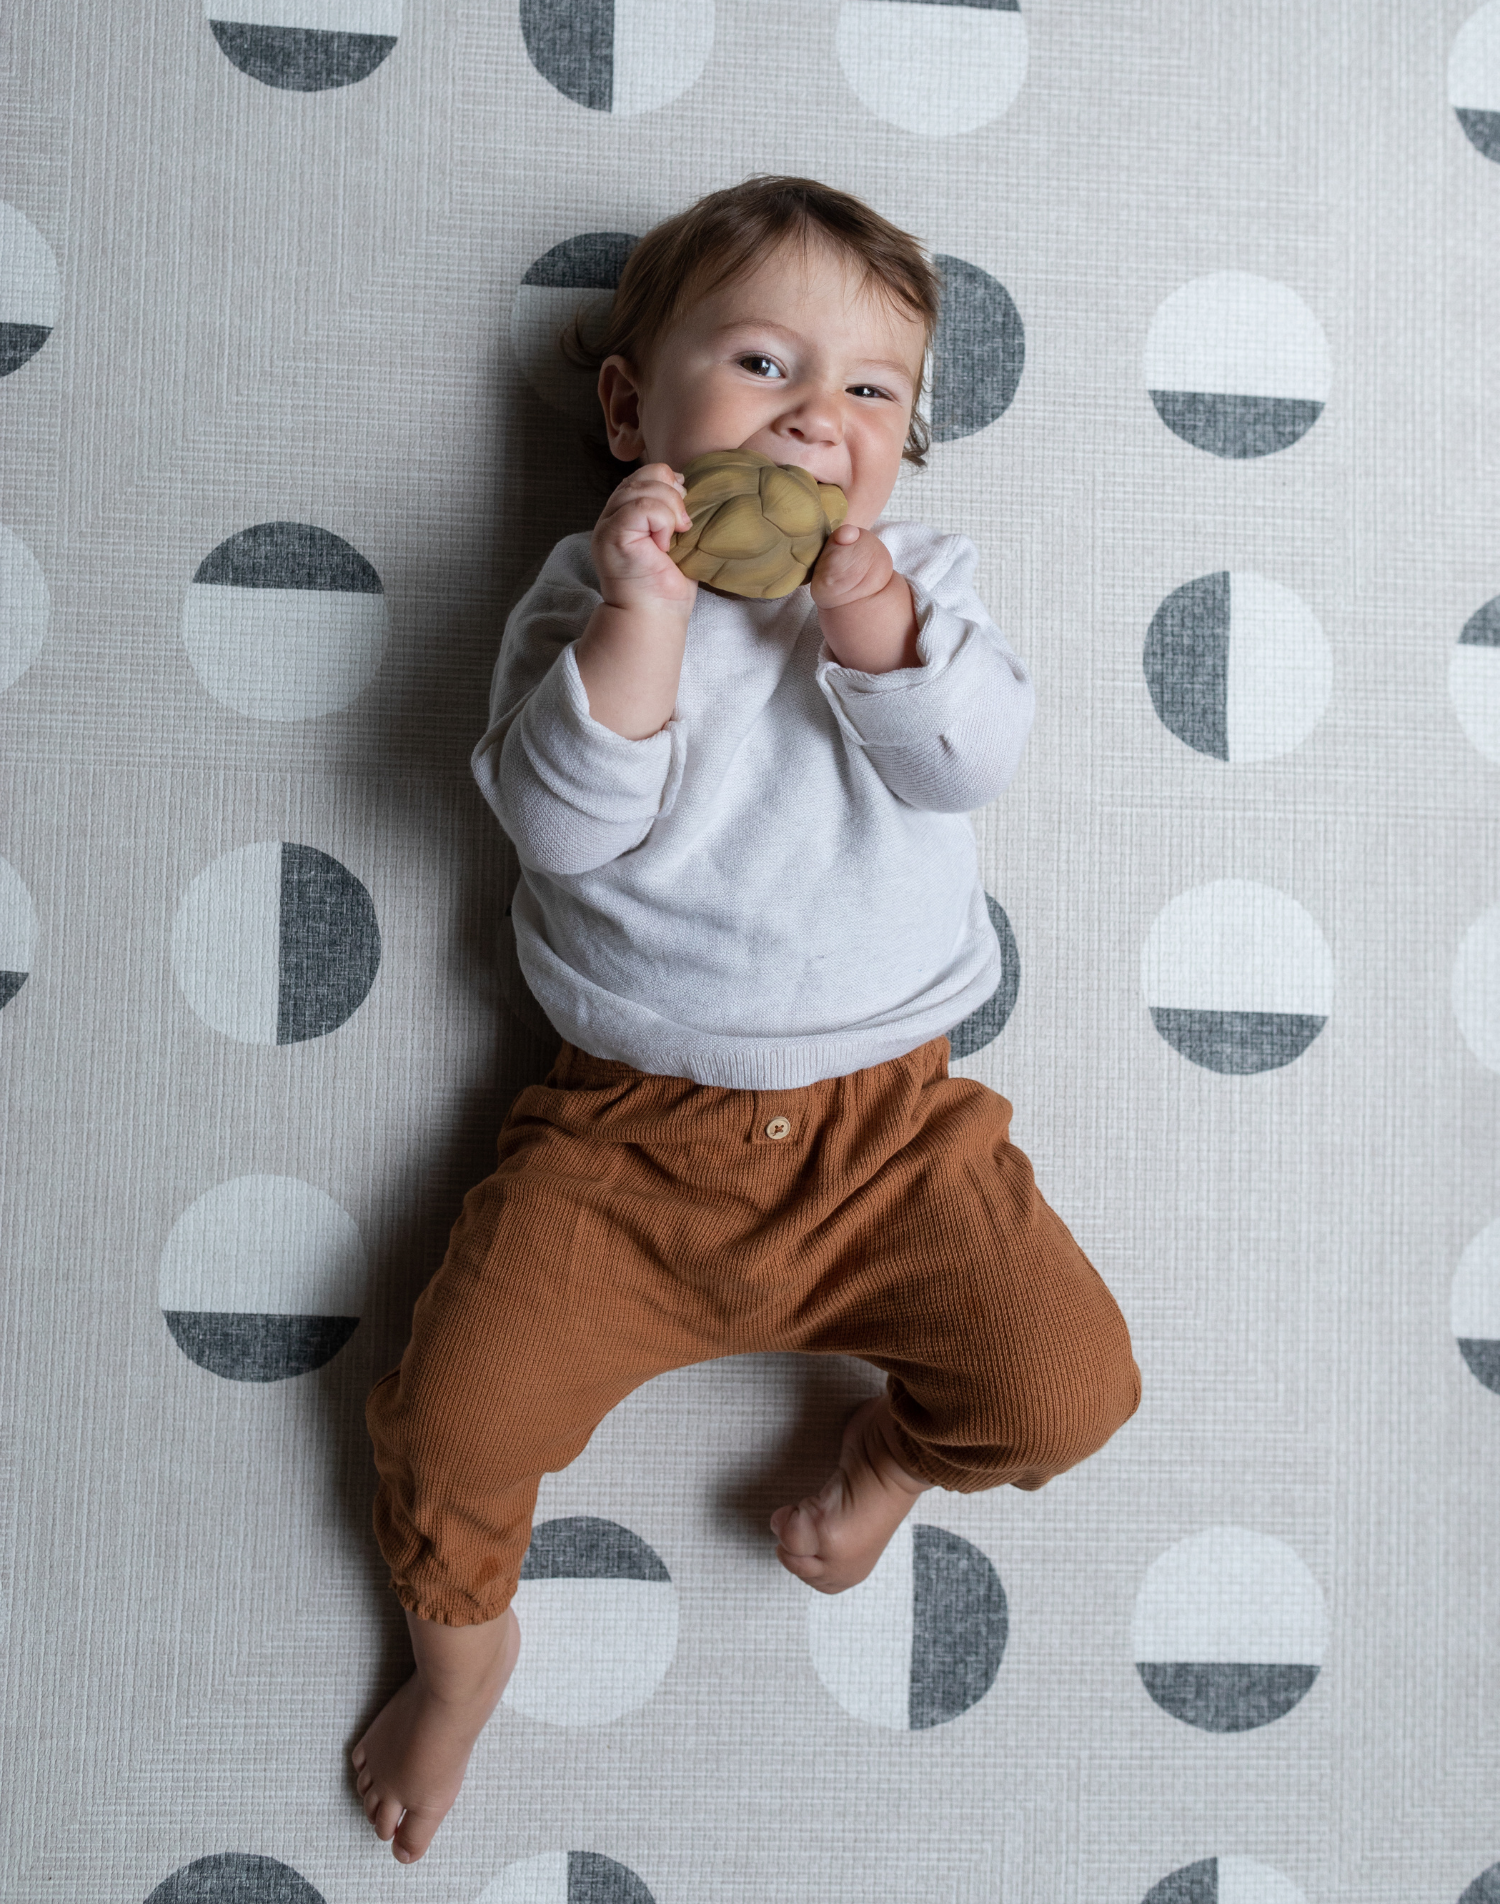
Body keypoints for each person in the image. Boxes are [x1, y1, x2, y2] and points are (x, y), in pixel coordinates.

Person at [351, 175, 1140, 1863]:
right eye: (766, 363)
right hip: (623, 1146)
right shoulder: (588, 593)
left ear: (907, 447)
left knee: (1068, 1386)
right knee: (448, 1420)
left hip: (891, 1140)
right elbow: (564, 829)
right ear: (634, 402)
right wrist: (650, 620)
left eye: (871, 392)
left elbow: (970, 758)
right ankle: (463, 1640)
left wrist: (868, 621)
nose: (816, 416)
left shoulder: (921, 578)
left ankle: (889, 1457)